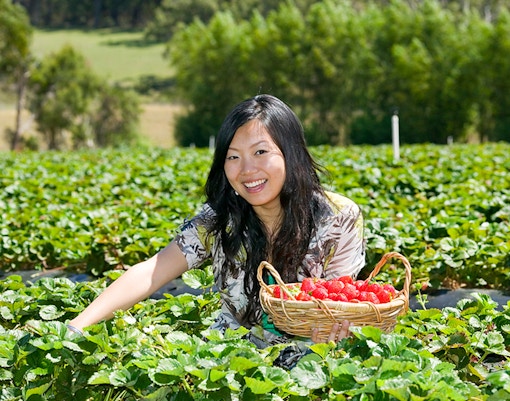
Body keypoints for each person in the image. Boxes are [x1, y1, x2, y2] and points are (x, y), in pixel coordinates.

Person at [67, 94, 366, 368]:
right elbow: (151, 272)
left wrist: (334, 328)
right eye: (233, 157)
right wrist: (76, 327)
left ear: (291, 153)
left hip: (309, 364)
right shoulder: (219, 220)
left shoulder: (338, 218)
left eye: (260, 152)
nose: (247, 170)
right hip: (225, 363)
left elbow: (337, 302)